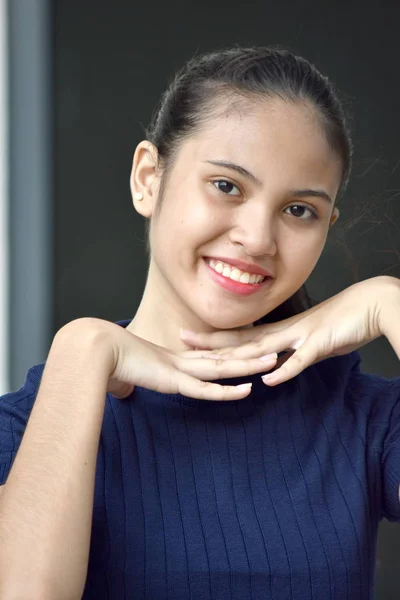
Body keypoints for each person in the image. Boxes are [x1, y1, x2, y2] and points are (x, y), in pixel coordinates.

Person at [0, 45, 399, 600]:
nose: (258, 238)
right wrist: (82, 348)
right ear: (148, 178)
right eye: (227, 186)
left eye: (298, 210)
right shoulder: (32, 427)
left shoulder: (364, 421)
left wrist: (389, 302)